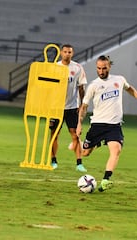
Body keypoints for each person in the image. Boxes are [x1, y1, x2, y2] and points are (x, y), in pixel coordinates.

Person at [76, 55, 137, 192]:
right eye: (98, 68)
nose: (101, 71)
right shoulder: (94, 85)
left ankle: (105, 180)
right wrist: (79, 124)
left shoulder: (119, 80)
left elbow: (130, 89)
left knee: (116, 150)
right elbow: (84, 106)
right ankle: (93, 143)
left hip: (114, 126)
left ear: (109, 66)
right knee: (85, 153)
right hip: (98, 124)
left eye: (104, 68)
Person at [49, 44, 87, 172]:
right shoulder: (55, 67)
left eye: (69, 52)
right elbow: (48, 88)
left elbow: (81, 87)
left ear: (73, 53)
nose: (67, 54)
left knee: (75, 135)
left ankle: (79, 163)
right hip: (56, 107)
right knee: (54, 135)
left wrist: (82, 104)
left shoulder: (77, 68)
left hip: (72, 107)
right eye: (65, 52)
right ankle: (53, 161)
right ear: (61, 53)